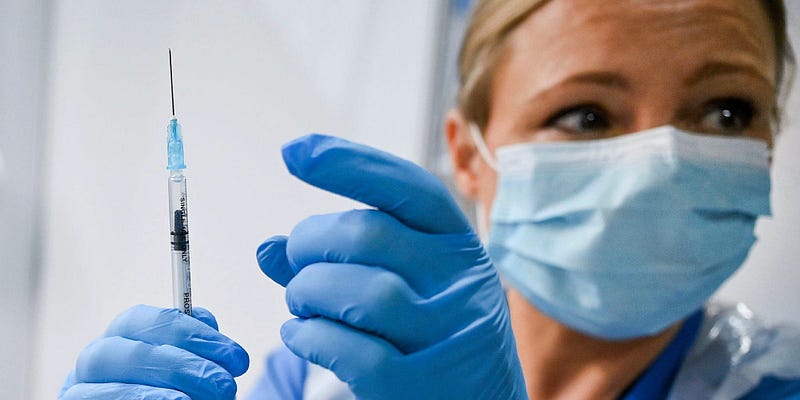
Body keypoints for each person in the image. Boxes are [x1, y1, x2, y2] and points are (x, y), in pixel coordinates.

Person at [59, 0, 800, 399]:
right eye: (586, 115)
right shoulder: (324, 376)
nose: (661, 163)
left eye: (726, 112)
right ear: (466, 153)